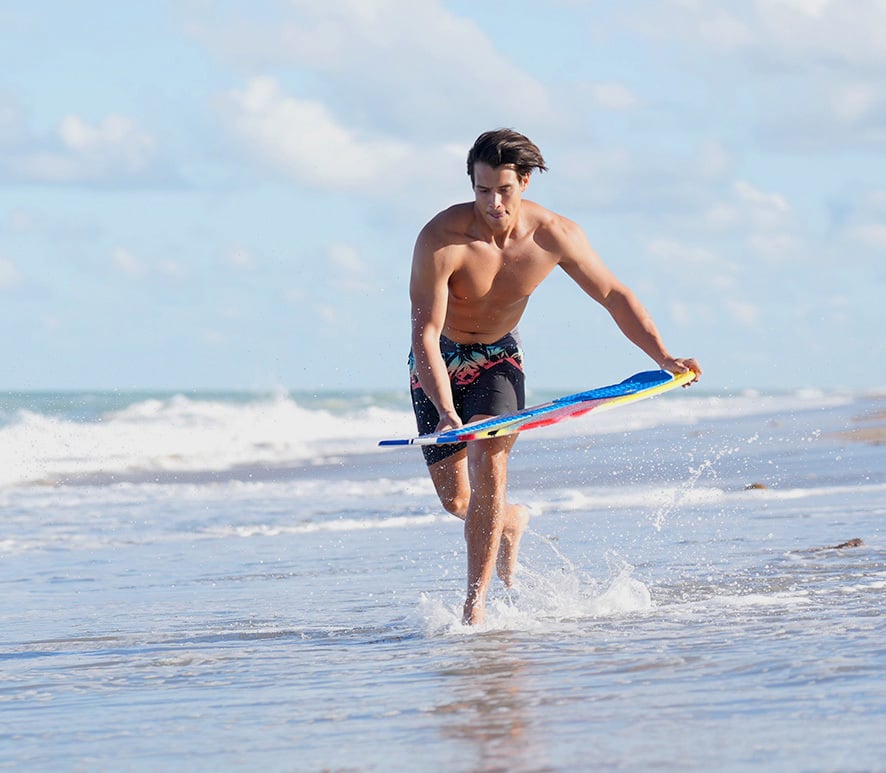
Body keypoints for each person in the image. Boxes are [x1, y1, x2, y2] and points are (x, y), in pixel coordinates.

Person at [408, 129, 701, 625]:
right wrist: (446, 413)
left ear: (523, 182)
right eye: (482, 191)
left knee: (488, 460)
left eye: (504, 190)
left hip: (498, 359)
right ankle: (510, 519)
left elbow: (612, 294)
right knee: (458, 501)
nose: (493, 203)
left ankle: (474, 606)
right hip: (437, 361)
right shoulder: (442, 239)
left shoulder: (554, 235)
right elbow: (426, 333)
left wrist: (663, 356)